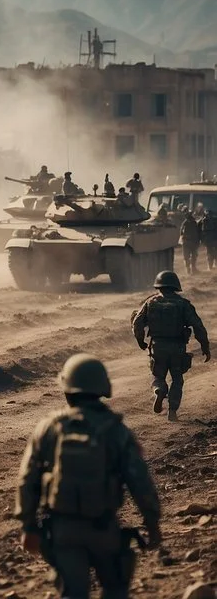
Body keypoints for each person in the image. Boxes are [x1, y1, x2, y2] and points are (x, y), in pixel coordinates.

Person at [15, 354, 161, 599]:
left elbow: (27, 479)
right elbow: (139, 480)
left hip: (62, 530)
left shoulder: (49, 427)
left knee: (73, 592)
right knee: (115, 589)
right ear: (103, 389)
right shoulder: (116, 430)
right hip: (103, 528)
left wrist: (28, 525)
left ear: (66, 389)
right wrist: (152, 521)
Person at [133, 270, 210, 421]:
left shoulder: (150, 303)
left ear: (158, 286)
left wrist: (140, 341)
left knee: (158, 375)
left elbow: (137, 323)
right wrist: (205, 346)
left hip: (157, 346)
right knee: (177, 379)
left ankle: (159, 390)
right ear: (175, 286)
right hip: (177, 348)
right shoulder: (183, 304)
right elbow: (198, 326)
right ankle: (172, 411)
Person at [181, 210, 202, 274]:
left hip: (188, 242)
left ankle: (190, 269)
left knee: (188, 256)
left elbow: (181, 233)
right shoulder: (193, 222)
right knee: (191, 256)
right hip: (191, 241)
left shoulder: (185, 223)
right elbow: (198, 232)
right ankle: (191, 269)